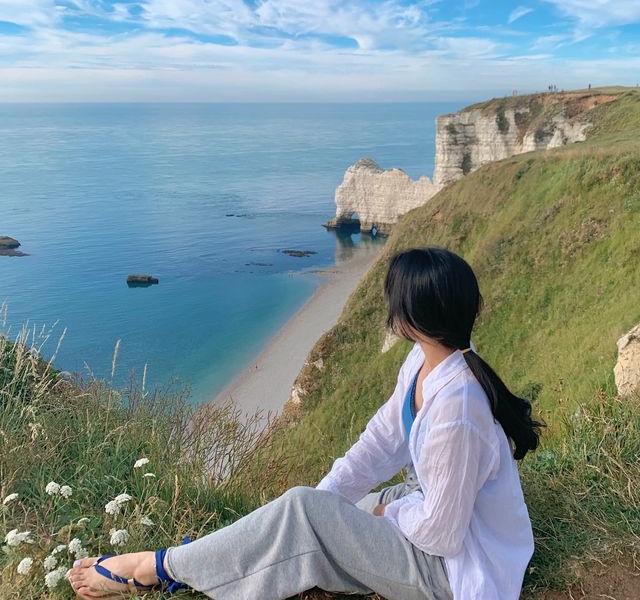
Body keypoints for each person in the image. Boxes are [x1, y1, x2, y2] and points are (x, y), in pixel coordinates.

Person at [68, 247, 543, 600]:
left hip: (453, 574)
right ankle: (206, 563)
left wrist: (371, 514)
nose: (389, 309)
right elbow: (381, 441)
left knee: (308, 511)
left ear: (415, 317)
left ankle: (158, 567)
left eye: (393, 301)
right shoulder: (427, 361)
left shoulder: (457, 407)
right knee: (314, 513)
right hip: (437, 525)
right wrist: (326, 500)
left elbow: (441, 534)